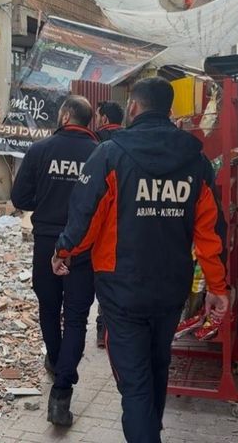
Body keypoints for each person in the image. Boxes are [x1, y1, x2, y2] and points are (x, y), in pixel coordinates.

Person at [51, 77, 229, 443]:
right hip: (170, 288)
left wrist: (64, 251)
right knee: (157, 367)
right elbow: (211, 232)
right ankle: (151, 428)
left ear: (133, 107)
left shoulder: (111, 155)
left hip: (122, 291)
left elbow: (85, 218)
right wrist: (217, 286)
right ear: (169, 110)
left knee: (134, 386)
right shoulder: (195, 162)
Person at [10, 95, 99, 427]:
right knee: (76, 317)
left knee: (49, 307)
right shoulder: (99, 154)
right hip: (83, 246)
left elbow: (19, 198)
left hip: (47, 241)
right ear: (88, 121)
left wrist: (45, 202)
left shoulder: (39, 150)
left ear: (64, 115)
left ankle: (57, 359)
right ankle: (61, 394)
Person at [93, 100, 125, 347]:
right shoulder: (130, 141)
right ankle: (113, 329)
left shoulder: (96, 141)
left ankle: (102, 329)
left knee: (101, 274)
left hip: (99, 220)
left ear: (103, 118)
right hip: (125, 220)